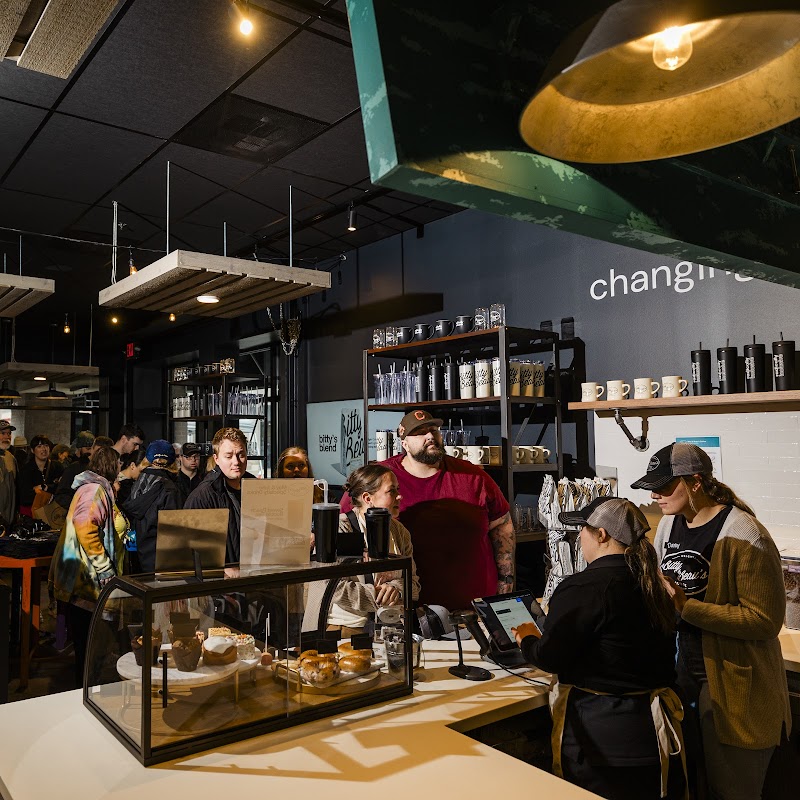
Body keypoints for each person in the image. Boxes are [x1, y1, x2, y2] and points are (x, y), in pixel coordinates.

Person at [632, 442, 792, 800]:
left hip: (734, 687)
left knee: (732, 791)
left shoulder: (745, 534)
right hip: (682, 677)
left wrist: (687, 607)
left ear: (696, 482)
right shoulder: (668, 525)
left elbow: (764, 620)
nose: (655, 495)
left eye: (664, 486)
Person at [513, 497, 682, 800]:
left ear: (601, 535)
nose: (579, 537)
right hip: (650, 734)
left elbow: (549, 657)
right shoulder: (655, 583)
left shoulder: (584, 587)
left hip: (602, 742)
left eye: (582, 529)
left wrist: (527, 638)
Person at [340, 410, 513, 610]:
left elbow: (502, 525)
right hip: (405, 609)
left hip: (475, 604)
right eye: (420, 432)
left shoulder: (473, 476)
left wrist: (506, 582)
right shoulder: (380, 479)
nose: (430, 435)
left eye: (434, 429)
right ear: (404, 443)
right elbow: (345, 524)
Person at [48, 445, 123, 688]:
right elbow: (85, 525)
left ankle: (87, 690)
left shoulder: (96, 488)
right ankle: (86, 693)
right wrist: (104, 568)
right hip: (85, 580)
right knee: (88, 645)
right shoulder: (94, 490)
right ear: (112, 465)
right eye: (119, 463)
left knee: (88, 644)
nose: (121, 468)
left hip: (84, 579)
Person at [325, 465, 420, 636]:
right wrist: (377, 595)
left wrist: (395, 589)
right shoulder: (340, 529)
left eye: (398, 489)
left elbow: (414, 585)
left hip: (393, 630)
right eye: (391, 491)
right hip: (348, 629)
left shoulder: (400, 532)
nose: (399, 496)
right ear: (368, 498)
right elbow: (332, 587)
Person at [184, 427, 256, 566]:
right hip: (224, 576)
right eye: (228, 456)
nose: (236, 462)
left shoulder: (255, 487)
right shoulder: (203, 496)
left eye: (241, 455)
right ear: (216, 459)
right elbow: (192, 550)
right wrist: (222, 571)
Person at [120, 440, 180, 573]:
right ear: (172, 461)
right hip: (160, 559)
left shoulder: (139, 481)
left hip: (137, 555)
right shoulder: (169, 488)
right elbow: (172, 530)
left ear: (147, 458)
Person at [18, 434, 63, 517]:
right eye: (39, 446)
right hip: (31, 513)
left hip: (53, 512)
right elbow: (24, 495)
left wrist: (45, 487)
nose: (44, 449)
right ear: (32, 450)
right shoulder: (26, 470)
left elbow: (62, 488)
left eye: (46, 445)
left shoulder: (57, 467)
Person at [53, 431, 96, 511]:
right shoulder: (71, 466)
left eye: (93, 449)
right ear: (79, 448)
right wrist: (78, 505)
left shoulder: (93, 465)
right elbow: (61, 494)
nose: (91, 452)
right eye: (88, 448)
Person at [0, 419, 18, 528]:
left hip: (8, 520)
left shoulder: (10, 458)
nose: (7, 437)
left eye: (9, 433)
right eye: (3, 433)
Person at [175, 442, 203, 507]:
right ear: (180, 457)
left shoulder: (205, 480)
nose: (193, 460)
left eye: (196, 456)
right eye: (188, 457)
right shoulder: (173, 480)